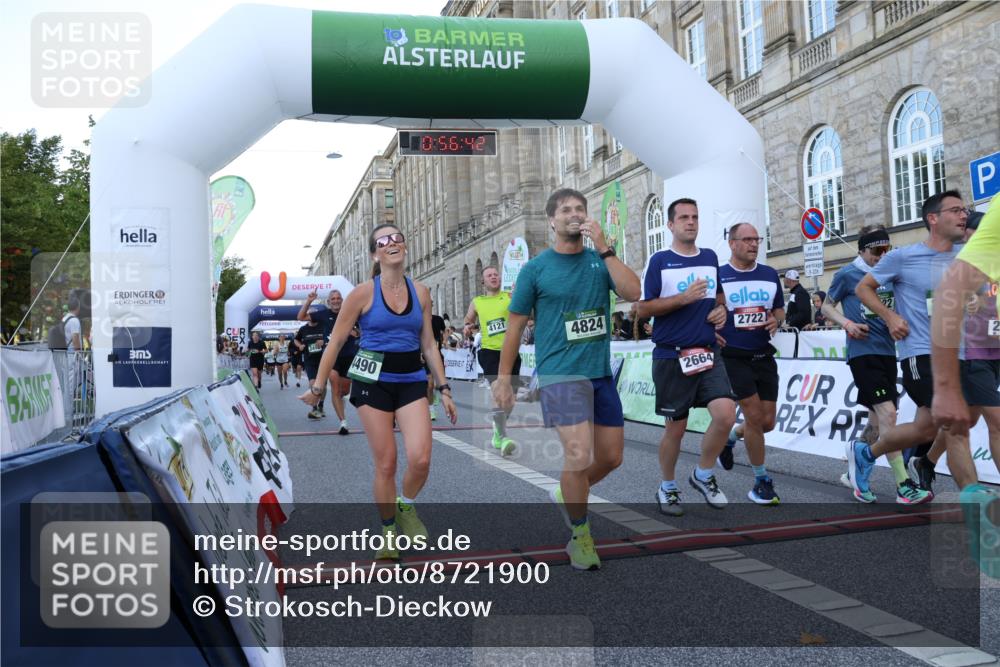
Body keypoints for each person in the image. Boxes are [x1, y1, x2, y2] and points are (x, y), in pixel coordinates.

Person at [494, 188, 640, 571]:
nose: (574, 215)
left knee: (611, 457)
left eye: (580, 209)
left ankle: (569, 491)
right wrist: (505, 380)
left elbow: (634, 292)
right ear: (552, 222)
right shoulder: (536, 269)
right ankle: (580, 535)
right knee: (578, 453)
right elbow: (513, 329)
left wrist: (606, 248)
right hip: (560, 374)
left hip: (600, 374)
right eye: (566, 210)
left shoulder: (598, 261)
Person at [301, 224, 456, 560]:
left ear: (404, 246)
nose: (392, 243)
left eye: (397, 238)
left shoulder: (422, 292)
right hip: (372, 382)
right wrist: (317, 387)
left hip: (412, 379)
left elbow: (428, 344)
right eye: (383, 241)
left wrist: (444, 388)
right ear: (375, 253)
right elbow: (337, 341)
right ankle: (388, 532)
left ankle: (407, 506)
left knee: (421, 458)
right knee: (386, 463)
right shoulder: (362, 293)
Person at [848, 191, 968, 501]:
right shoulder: (903, 256)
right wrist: (890, 317)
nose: (963, 215)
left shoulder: (966, 254)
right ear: (933, 219)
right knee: (954, 424)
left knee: (926, 429)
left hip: (961, 354)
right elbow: (864, 288)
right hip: (921, 353)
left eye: (963, 209)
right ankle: (975, 504)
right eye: (955, 210)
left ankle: (869, 454)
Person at [638, 197, 735, 515]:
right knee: (675, 429)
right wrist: (682, 298)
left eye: (694, 217)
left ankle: (703, 474)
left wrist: (721, 310)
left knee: (725, 416)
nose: (690, 222)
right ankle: (667, 486)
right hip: (671, 356)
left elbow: (719, 295)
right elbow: (643, 309)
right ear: (670, 225)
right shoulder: (660, 261)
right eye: (683, 218)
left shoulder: (709, 257)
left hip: (708, 352)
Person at [822, 225, 929, 503]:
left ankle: (857, 461)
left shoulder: (891, 274)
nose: (881, 256)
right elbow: (825, 306)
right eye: (875, 251)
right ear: (861, 251)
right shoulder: (848, 274)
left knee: (876, 420)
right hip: (862, 353)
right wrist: (846, 323)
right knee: (889, 415)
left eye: (886, 250)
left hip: (887, 353)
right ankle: (903, 484)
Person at [924, 204, 1000, 488]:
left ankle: (926, 461)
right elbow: (936, 303)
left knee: (966, 421)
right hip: (972, 352)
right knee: (996, 422)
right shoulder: (953, 261)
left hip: (996, 349)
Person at [716, 222, 785, 504]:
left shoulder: (769, 275)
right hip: (733, 356)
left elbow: (779, 309)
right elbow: (707, 312)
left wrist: (776, 320)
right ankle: (761, 481)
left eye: (756, 239)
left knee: (767, 423)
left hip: (763, 355)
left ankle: (731, 437)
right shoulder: (719, 276)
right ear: (732, 243)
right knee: (754, 417)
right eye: (747, 240)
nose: (754, 244)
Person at [464, 266, 520, 456]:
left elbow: (522, 313)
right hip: (489, 352)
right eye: (489, 275)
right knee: (499, 392)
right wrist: (467, 326)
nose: (493, 277)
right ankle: (502, 436)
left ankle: (497, 430)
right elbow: (468, 318)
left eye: (496, 274)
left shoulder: (508, 296)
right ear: (483, 281)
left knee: (510, 399)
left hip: (511, 352)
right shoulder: (477, 301)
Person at [299, 289, 358, 435]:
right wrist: (309, 301)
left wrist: (355, 332)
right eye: (333, 299)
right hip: (332, 356)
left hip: (348, 356)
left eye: (338, 298)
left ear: (342, 300)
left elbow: (362, 331)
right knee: (335, 388)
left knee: (345, 390)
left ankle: (340, 401)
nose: (336, 301)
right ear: (329, 302)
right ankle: (343, 422)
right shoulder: (324, 314)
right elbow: (301, 317)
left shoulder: (351, 312)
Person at [295, 316, 329, 420]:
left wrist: (324, 342)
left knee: (323, 385)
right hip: (309, 360)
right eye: (311, 315)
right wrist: (299, 345)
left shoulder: (324, 326)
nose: (312, 317)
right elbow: (296, 340)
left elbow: (331, 337)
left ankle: (321, 405)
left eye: (314, 314)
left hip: (324, 359)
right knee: (313, 383)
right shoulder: (303, 329)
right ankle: (314, 407)